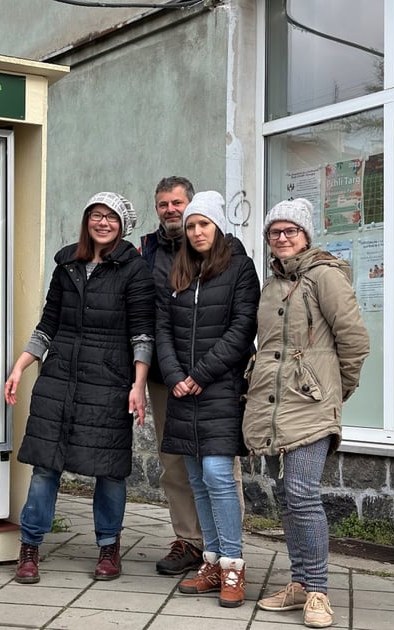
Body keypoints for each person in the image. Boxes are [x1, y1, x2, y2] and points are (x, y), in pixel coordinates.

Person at [5, 191, 155, 584]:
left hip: (109, 379)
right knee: (45, 465)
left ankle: (108, 547)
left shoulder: (134, 270)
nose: (102, 223)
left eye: (111, 218)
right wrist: (20, 367)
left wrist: (138, 385)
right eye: (96, 215)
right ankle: (30, 547)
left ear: (123, 226)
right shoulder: (67, 265)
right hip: (59, 378)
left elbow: (142, 333)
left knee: (109, 469)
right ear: (86, 219)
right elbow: (48, 324)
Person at [243, 198, 370, 628]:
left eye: (290, 231)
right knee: (289, 497)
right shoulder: (273, 282)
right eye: (274, 232)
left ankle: (317, 590)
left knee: (301, 492)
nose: (281, 238)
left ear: (306, 235)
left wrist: (337, 390)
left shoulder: (324, 276)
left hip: (312, 404)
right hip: (277, 405)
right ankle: (298, 584)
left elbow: (354, 340)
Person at [154, 190, 260, 608]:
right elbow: (162, 327)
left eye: (204, 224)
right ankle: (212, 561)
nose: (197, 232)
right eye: (193, 225)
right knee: (196, 477)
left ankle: (233, 564)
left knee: (218, 475)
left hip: (219, 387)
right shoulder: (178, 270)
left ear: (218, 227)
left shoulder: (240, 268)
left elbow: (241, 330)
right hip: (183, 389)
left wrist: (199, 374)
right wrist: (177, 375)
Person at [140, 176, 205, 575]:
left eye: (177, 203)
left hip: (208, 373)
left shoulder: (212, 244)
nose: (171, 210)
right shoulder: (146, 250)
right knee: (173, 461)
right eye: (163, 204)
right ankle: (189, 541)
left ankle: (222, 545)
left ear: (192, 204)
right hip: (164, 375)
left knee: (216, 462)